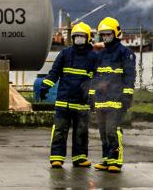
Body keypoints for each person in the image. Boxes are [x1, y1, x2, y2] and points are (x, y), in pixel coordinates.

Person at [39, 22, 97, 168]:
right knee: (59, 130)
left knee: (81, 132)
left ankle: (80, 158)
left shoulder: (93, 57)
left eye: (81, 36)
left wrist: (93, 97)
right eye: (76, 36)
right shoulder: (65, 54)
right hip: (63, 102)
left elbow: (96, 79)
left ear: (88, 37)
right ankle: (57, 158)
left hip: (82, 103)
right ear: (72, 38)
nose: (78, 39)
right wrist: (45, 86)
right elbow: (54, 72)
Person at [91, 16, 136, 172]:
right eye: (103, 34)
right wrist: (92, 96)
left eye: (108, 33)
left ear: (116, 33)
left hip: (116, 100)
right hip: (101, 100)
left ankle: (116, 161)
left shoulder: (126, 53)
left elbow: (130, 76)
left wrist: (127, 96)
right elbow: (95, 76)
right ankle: (107, 159)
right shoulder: (101, 55)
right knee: (103, 132)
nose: (105, 37)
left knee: (113, 130)